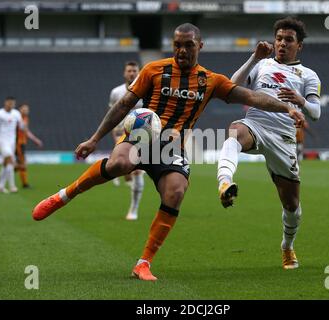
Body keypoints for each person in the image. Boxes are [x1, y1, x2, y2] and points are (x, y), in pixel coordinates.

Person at [32, 23, 304, 281]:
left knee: (175, 191)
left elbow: (251, 97)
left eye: (188, 45)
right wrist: (94, 139)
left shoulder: (210, 81)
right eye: (177, 45)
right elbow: (124, 104)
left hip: (172, 147)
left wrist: (286, 108)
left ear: (200, 45)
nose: (182, 51)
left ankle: (143, 264)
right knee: (119, 164)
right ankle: (65, 195)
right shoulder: (153, 70)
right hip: (140, 136)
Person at [217, 17, 321, 270]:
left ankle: (287, 246)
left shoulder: (308, 75)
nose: (282, 44)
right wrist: (254, 57)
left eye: (289, 40)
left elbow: (316, 113)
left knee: (292, 205)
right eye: (279, 39)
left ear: (300, 46)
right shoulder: (261, 64)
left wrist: (301, 100)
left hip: (284, 138)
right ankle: (224, 182)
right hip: (256, 125)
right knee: (234, 131)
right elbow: (232, 85)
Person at [109, 61, 145, 220]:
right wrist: (115, 134)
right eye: (129, 71)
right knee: (124, 168)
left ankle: (134, 209)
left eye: (134, 71)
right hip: (123, 134)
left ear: (139, 72)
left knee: (137, 171)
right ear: (125, 73)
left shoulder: (147, 90)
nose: (132, 73)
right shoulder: (116, 92)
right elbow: (113, 114)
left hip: (143, 134)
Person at [0, 97, 25, 193]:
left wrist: (23, 122)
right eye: (9, 103)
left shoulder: (16, 114)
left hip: (12, 142)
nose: (10, 105)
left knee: (6, 164)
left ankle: (0, 186)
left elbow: (22, 126)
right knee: (10, 160)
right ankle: (12, 186)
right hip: (2, 141)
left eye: (12, 103)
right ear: (5, 103)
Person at [15, 103, 43, 188]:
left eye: (27, 109)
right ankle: (25, 184)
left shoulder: (25, 118)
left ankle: (8, 171)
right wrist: (36, 140)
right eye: (24, 109)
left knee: (21, 163)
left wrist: (35, 140)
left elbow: (26, 131)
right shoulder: (16, 119)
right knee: (23, 163)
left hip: (22, 143)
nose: (26, 111)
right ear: (20, 109)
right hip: (17, 143)